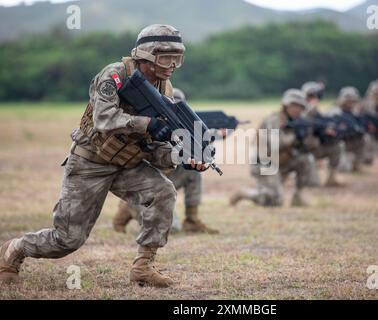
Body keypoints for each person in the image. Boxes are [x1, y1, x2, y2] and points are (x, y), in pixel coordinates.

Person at [0, 24, 207, 287]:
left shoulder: (165, 89)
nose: (173, 64)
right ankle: (15, 248)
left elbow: (153, 147)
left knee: (164, 191)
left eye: (178, 58)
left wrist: (182, 157)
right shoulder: (115, 75)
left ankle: (143, 266)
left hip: (127, 164)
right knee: (67, 240)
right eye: (166, 57)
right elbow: (104, 119)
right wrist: (147, 123)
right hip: (90, 162)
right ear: (146, 54)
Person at [112, 88, 219, 235]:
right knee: (170, 228)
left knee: (194, 172)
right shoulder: (147, 125)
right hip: (144, 186)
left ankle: (192, 221)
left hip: (165, 181)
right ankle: (129, 206)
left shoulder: (184, 128)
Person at [230, 89, 315, 207]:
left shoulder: (299, 122)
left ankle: (298, 196)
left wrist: (308, 136)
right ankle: (245, 194)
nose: (297, 109)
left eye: (300, 106)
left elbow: (309, 147)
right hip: (265, 163)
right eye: (294, 105)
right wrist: (294, 135)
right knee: (274, 201)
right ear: (285, 105)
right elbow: (275, 144)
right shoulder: (274, 120)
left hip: (284, 160)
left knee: (306, 159)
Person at [302, 82, 344, 187]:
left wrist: (328, 128)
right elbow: (307, 124)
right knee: (312, 183)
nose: (315, 99)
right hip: (302, 150)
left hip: (313, 148)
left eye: (315, 96)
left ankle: (331, 178)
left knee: (336, 146)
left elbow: (321, 122)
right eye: (311, 96)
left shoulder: (314, 110)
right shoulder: (301, 110)